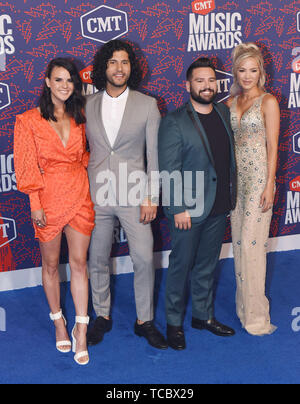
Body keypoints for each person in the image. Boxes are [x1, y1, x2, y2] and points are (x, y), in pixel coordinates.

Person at [85, 40, 168, 350]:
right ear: (103, 67)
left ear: (132, 68)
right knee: (96, 257)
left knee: (144, 257)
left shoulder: (147, 104)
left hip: (135, 195)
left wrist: (151, 197)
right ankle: (102, 315)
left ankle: (144, 321)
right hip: (97, 195)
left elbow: (154, 155)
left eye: (124, 62)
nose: (119, 68)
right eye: (112, 62)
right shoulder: (88, 104)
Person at [14, 58, 95, 365]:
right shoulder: (28, 121)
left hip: (79, 195)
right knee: (50, 265)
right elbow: (25, 166)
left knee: (79, 263)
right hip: (47, 199)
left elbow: (86, 153)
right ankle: (59, 322)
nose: (64, 86)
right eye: (58, 80)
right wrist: (35, 204)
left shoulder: (80, 115)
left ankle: (81, 330)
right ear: (47, 81)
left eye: (69, 81)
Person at [158, 57, 237, 350]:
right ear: (188, 85)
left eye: (210, 80)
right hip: (188, 209)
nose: (206, 86)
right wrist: (178, 207)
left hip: (218, 204)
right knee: (181, 266)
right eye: (200, 80)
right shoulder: (175, 121)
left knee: (206, 265)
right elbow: (168, 168)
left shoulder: (222, 112)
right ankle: (174, 323)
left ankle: (202, 316)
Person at [227, 43, 280, 336]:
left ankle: (257, 317)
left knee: (252, 246)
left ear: (261, 72)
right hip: (238, 182)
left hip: (259, 180)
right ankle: (243, 308)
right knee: (238, 245)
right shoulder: (231, 103)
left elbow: (273, 146)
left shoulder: (268, 101)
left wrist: (270, 184)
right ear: (235, 72)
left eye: (253, 70)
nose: (247, 76)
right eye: (242, 70)